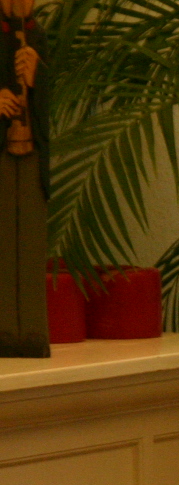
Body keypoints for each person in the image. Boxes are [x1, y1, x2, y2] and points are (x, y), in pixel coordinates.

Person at [0, 0, 49, 357]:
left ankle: (32, 331)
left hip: (32, 150)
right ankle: (4, 330)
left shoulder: (38, 36)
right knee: (3, 243)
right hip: (3, 151)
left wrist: (35, 78)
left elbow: (49, 96)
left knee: (30, 244)